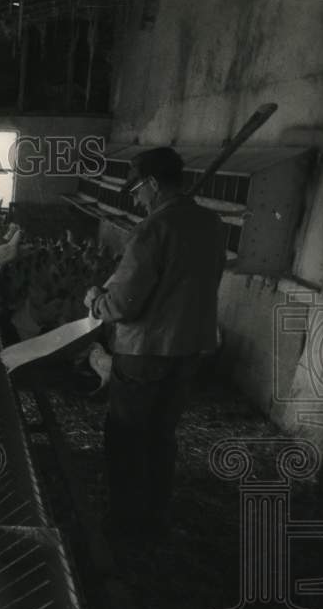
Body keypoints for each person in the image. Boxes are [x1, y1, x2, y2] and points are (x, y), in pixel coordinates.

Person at [83, 147, 226, 539]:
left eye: (137, 189)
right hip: (190, 347)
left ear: (152, 184)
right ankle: (156, 516)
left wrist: (97, 299)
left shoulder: (152, 230)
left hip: (145, 351)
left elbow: (125, 303)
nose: (135, 197)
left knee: (127, 435)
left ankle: (125, 522)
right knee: (162, 435)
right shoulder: (212, 223)